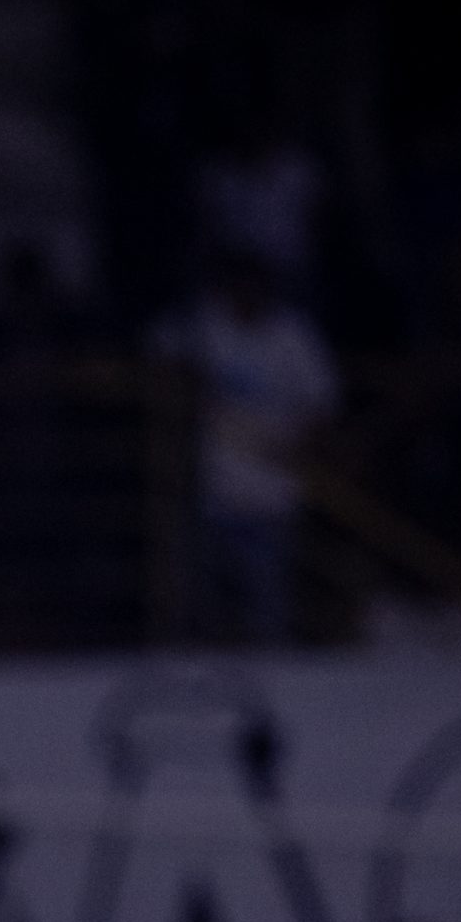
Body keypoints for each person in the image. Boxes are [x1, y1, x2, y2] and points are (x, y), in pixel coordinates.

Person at [151, 252, 341, 645]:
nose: (247, 295)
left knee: (268, 610)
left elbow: (323, 403)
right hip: (212, 495)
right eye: (238, 287)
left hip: (272, 497)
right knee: (200, 612)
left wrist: (298, 448)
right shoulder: (205, 325)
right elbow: (158, 352)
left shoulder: (292, 334)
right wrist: (188, 382)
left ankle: (274, 676)